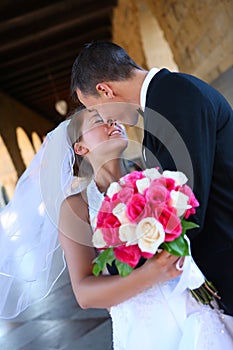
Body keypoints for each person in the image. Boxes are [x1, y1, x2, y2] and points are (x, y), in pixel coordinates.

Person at [0, 108, 232, 349]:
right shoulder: (77, 207)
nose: (112, 122)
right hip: (147, 330)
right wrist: (149, 274)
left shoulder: (155, 178)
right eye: (98, 121)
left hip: (195, 308)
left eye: (111, 117)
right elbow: (84, 293)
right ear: (80, 148)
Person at [70, 41, 233, 318]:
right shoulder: (167, 100)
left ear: (105, 90)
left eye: (96, 109)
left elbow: (187, 211)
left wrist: (122, 261)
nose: (107, 120)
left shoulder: (175, 99)